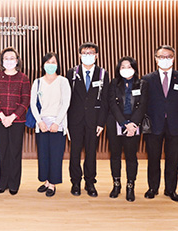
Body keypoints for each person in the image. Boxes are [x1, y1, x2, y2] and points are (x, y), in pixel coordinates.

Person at [142, 45, 178, 203]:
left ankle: (171, 190)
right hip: (153, 125)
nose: (165, 60)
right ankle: (153, 188)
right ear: (156, 59)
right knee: (153, 158)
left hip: (176, 126)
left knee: (173, 159)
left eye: (168, 56)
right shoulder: (147, 79)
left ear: (174, 58)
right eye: (161, 57)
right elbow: (143, 105)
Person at [66, 42, 109, 197]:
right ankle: (75, 182)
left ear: (96, 55)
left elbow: (105, 101)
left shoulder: (103, 74)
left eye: (91, 53)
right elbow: (66, 99)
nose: (88, 56)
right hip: (75, 120)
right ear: (79, 55)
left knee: (91, 153)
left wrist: (101, 123)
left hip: (94, 121)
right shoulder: (71, 73)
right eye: (85, 53)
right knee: (75, 152)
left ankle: (90, 183)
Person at [0, 47, 30, 195]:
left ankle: (14, 184)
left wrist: (12, 117)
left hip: (17, 121)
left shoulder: (23, 78)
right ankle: (2, 183)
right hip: (0, 121)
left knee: (15, 152)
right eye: (6, 58)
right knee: (3, 151)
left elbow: (26, 100)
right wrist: (1, 115)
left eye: (12, 58)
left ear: (17, 60)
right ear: (2, 61)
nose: (9, 61)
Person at [106, 57, 148, 202]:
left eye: (129, 66)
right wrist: (124, 123)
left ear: (135, 68)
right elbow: (112, 104)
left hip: (134, 125)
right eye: (122, 66)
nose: (125, 69)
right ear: (118, 69)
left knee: (131, 157)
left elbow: (142, 106)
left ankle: (131, 186)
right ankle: (116, 185)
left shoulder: (142, 84)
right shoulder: (113, 83)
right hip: (116, 123)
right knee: (115, 155)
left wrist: (133, 124)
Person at [31, 53, 70, 197]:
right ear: (43, 65)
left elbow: (66, 103)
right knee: (43, 154)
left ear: (58, 64)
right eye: (47, 62)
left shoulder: (63, 81)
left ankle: (53, 184)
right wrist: (39, 122)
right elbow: (33, 104)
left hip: (57, 124)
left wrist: (57, 122)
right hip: (41, 124)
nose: (50, 64)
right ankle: (46, 181)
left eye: (53, 62)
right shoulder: (38, 82)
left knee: (55, 154)